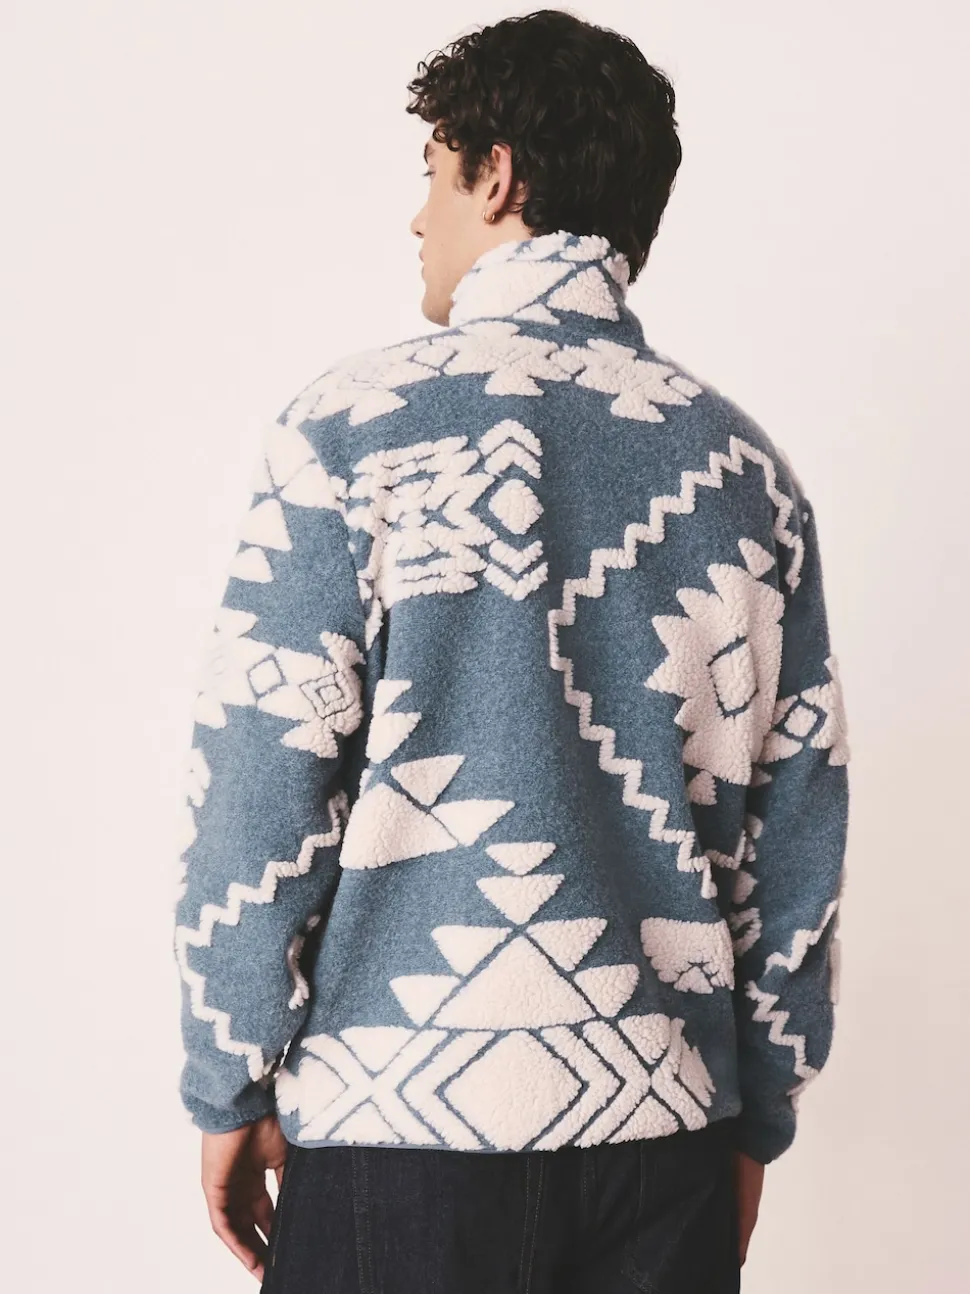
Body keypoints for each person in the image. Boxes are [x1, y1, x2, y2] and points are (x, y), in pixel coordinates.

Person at [172, 9, 851, 1292]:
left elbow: (260, 794)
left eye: (432, 173)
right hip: (661, 1140)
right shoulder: (742, 473)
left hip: (394, 1133)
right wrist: (756, 1113)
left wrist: (230, 1074)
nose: (415, 218)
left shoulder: (349, 432)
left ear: (496, 175)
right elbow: (795, 836)